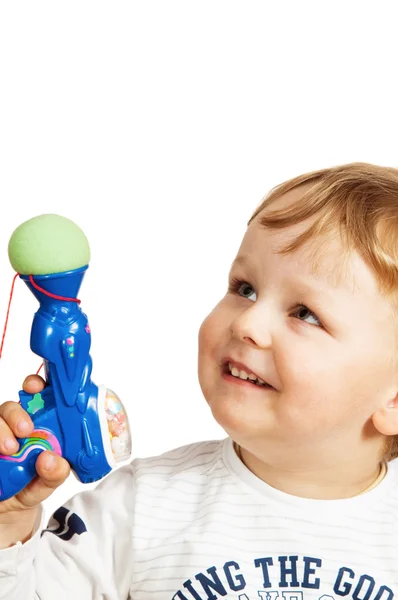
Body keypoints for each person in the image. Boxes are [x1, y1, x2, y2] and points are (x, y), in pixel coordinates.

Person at [1, 162, 398, 600]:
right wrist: (8, 523)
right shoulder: (140, 506)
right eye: (245, 288)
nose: (249, 321)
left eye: (305, 314)